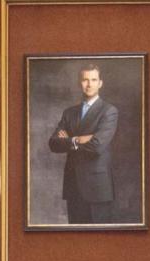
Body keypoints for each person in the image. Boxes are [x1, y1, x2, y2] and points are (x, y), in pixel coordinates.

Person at [48, 62, 119, 223]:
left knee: (99, 242)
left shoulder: (109, 111)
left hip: (97, 187)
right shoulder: (69, 112)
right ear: (79, 83)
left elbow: (97, 146)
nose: (89, 84)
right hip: (73, 185)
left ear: (100, 83)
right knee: (75, 241)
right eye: (85, 80)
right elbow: (53, 143)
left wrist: (68, 140)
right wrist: (78, 139)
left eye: (93, 80)